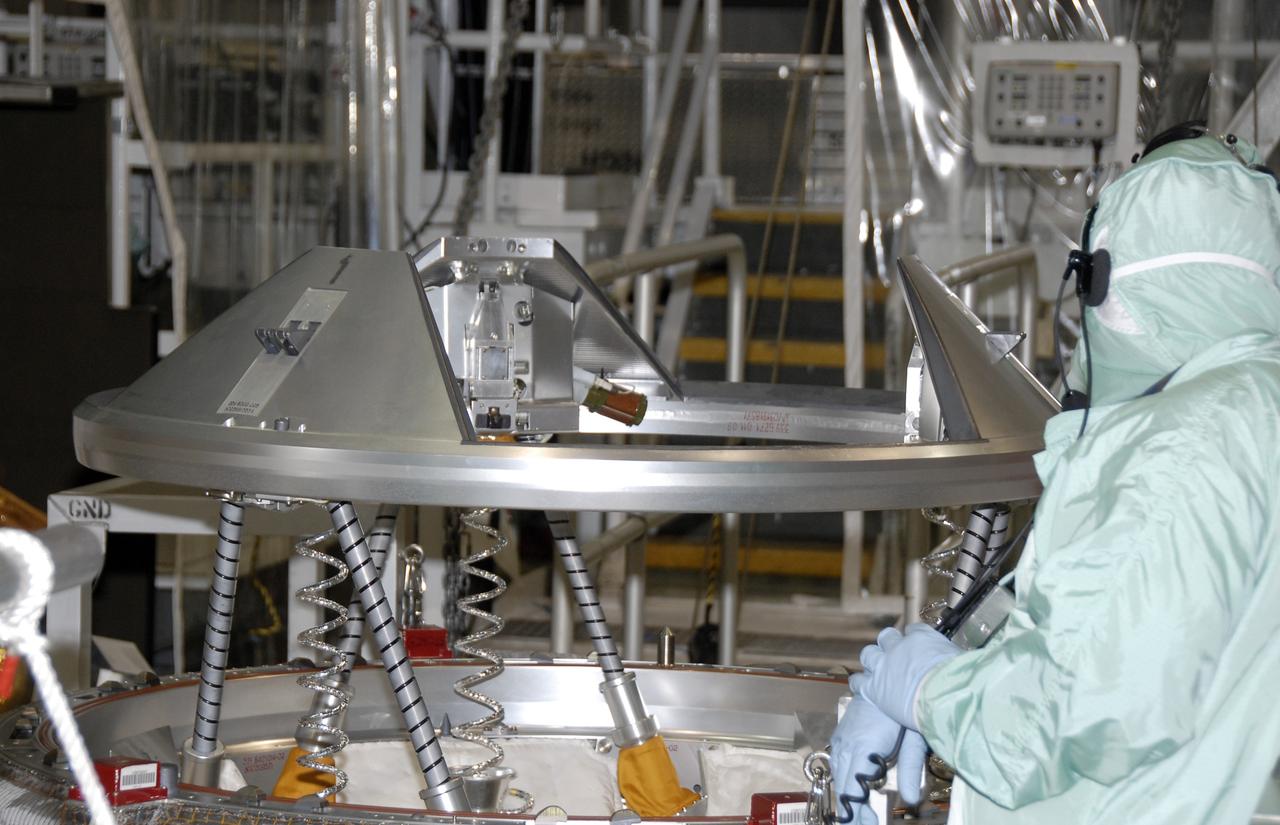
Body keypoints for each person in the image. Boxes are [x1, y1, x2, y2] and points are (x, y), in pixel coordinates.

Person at [832, 131, 1280, 823]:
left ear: (1113, 279)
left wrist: (927, 690)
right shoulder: (1252, 403)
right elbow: (1130, 632)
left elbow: (1068, 715)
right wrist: (966, 673)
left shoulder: (1180, 449)